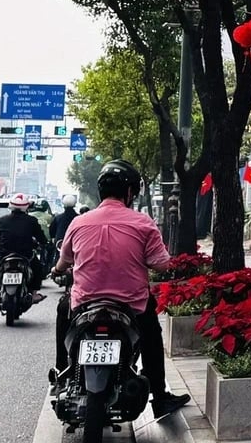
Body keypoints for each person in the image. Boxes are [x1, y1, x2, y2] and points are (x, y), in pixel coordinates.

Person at [52, 159, 189, 418]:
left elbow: (63, 262)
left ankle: (62, 371)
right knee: (151, 337)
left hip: (85, 304)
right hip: (132, 306)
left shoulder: (79, 223)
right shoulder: (143, 223)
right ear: (129, 192)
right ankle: (159, 398)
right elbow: (161, 265)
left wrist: (57, 271)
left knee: (62, 310)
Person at [0, 194, 50, 303]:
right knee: (38, 269)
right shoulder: (32, 220)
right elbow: (41, 238)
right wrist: (43, 243)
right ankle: (34, 294)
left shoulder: (2, 220)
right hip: (26, 254)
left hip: (4, 254)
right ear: (26, 207)